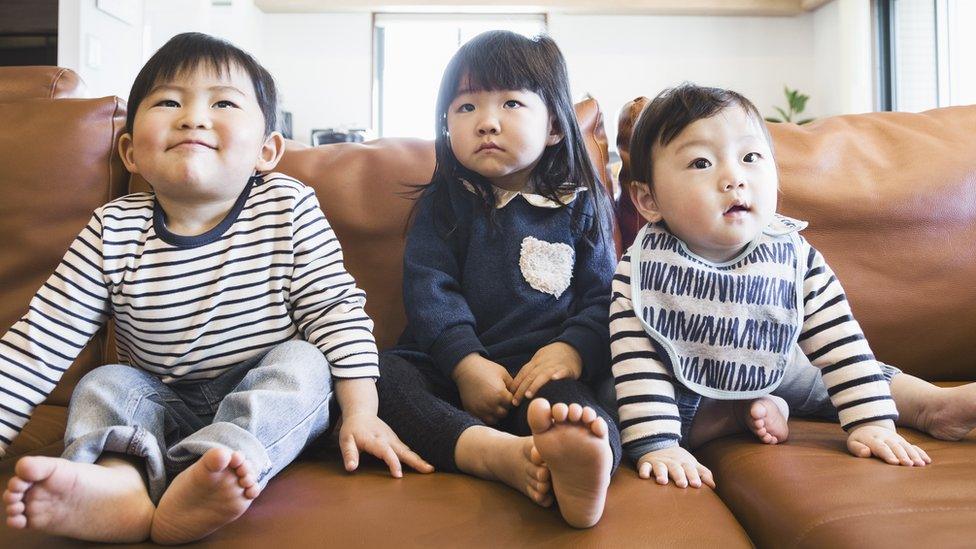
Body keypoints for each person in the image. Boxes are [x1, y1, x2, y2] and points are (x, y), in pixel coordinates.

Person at [1, 32, 430, 544]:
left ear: (267, 150)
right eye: (168, 102)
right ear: (131, 151)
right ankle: (120, 482)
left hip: (259, 391)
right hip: (158, 402)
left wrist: (362, 412)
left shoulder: (286, 208)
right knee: (105, 382)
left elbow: (336, 311)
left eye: (222, 102)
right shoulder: (111, 228)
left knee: (304, 362)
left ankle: (214, 468)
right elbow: (40, 341)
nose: (193, 117)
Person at [611, 83, 976, 490]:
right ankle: (738, 414)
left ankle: (929, 405)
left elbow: (841, 345)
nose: (734, 178)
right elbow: (636, 359)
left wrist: (872, 421)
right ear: (648, 200)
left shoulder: (792, 256)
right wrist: (659, 444)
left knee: (825, 378)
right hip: (678, 375)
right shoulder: (645, 268)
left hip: (776, 359)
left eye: (750, 157)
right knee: (619, 399)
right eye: (700, 163)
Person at [375, 30, 620, 528]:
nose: (486, 122)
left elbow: (603, 297)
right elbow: (429, 288)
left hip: (540, 374)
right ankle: (493, 454)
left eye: (510, 102)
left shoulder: (579, 205)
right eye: (465, 108)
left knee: (580, 417)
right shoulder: (446, 202)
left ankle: (581, 468)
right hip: (445, 368)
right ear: (446, 125)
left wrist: (572, 350)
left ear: (554, 126)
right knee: (379, 380)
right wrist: (465, 363)